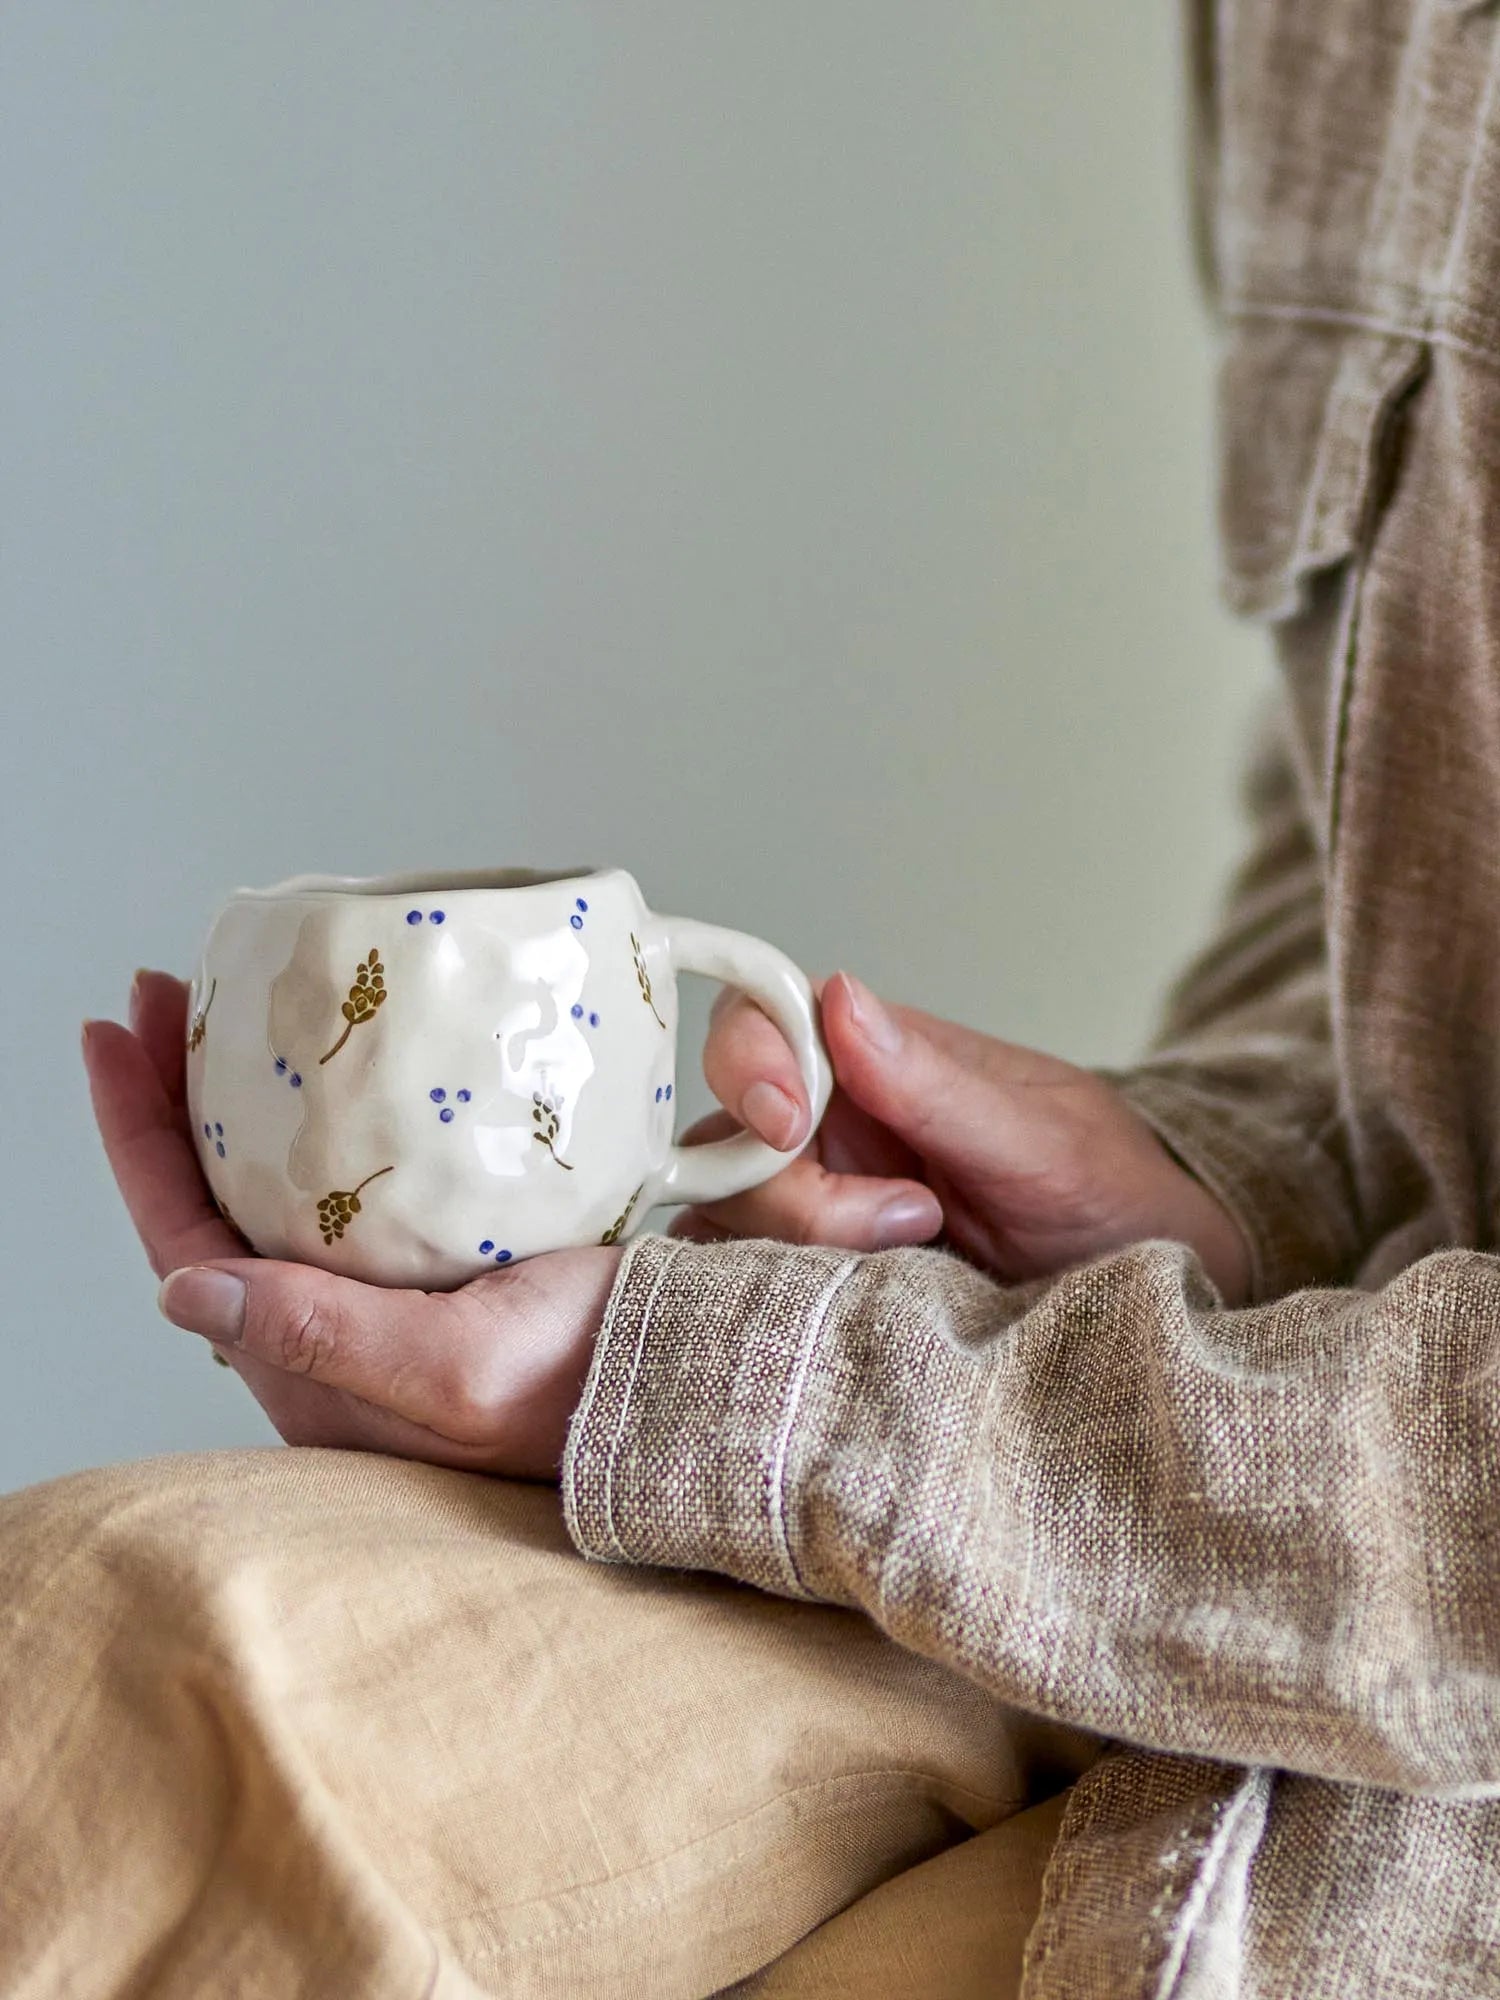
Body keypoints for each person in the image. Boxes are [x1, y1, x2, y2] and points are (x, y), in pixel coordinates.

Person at [8, 0, 1500, 1992]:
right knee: (117, 1653)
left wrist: (736, 1391)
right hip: (1174, 1471)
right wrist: (1215, 1188)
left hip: (1382, 1716)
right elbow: (1363, 844)